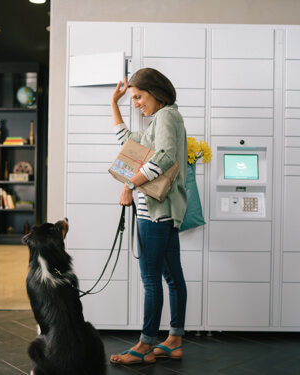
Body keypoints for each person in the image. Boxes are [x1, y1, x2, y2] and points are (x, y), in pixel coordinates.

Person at [109, 68, 188, 365]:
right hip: (163, 212)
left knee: (152, 280)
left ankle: (145, 346)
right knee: (171, 276)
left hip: (155, 213)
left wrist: (130, 184)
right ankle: (174, 341)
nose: (136, 103)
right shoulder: (161, 119)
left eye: (139, 96)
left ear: (156, 91)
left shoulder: (166, 116)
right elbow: (129, 142)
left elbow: (165, 155)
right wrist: (114, 105)